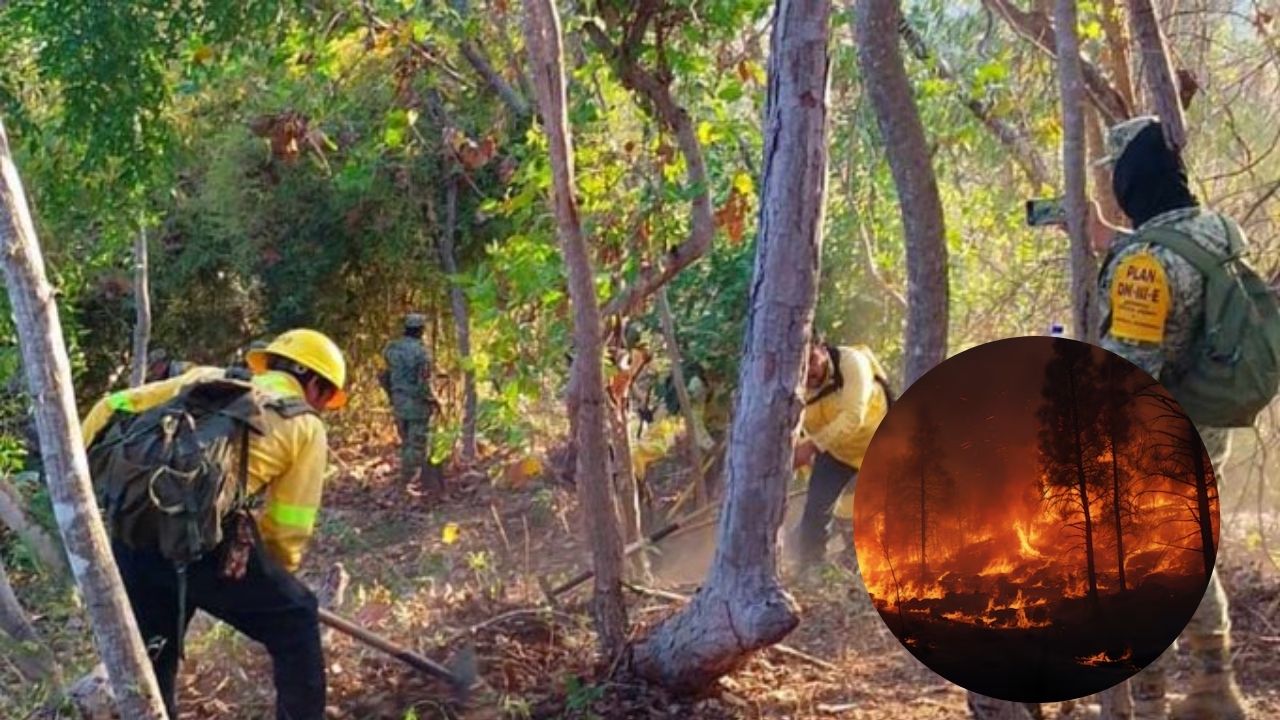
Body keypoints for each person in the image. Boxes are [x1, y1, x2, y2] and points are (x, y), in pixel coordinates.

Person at [82, 328, 347, 720]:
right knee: (297, 620)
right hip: (203, 543)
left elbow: (110, 405)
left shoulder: (203, 379)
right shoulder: (303, 424)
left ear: (270, 364)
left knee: (156, 649)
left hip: (133, 533)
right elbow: (288, 525)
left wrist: (85, 488)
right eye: (326, 397)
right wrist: (274, 581)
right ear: (314, 384)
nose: (322, 406)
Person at [1084, 115, 1250, 720]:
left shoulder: (1145, 264)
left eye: (1115, 177)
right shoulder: (1217, 231)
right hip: (1214, 425)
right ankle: (1214, 682)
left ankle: (1146, 706)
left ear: (1131, 176)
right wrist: (1117, 244)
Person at [792, 338, 892, 570]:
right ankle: (809, 569)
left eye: (812, 361)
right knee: (816, 509)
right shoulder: (790, 385)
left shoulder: (852, 363)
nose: (810, 373)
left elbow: (853, 417)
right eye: (802, 368)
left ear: (822, 348)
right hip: (837, 452)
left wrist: (812, 447)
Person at [381, 313, 439, 488]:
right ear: (421, 330)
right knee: (417, 445)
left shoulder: (391, 349)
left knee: (406, 442)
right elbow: (423, 382)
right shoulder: (421, 353)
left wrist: (392, 395)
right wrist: (433, 400)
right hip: (417, 405)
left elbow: (385, 375)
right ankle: (410, 481)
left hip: (399, 401)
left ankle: (406, 479)